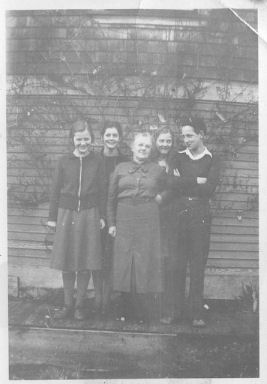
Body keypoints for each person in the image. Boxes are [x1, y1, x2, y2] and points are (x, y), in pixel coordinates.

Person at [47, 120, 106, 320]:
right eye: (79, 139)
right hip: (67, 214)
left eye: (86, 139)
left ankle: (80, 305)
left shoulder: (97, 161)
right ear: (72, 139)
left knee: (84, 261)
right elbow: (55, 190)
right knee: (67, 261)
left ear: (92, 139)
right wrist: (52, 218)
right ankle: (67, 304)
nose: (83, 143)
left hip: (90, 214)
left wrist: (103, 217)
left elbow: (103, 191)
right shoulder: (64, 161)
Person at [107, 132, 166, 323]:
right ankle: (124, 309)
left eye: (147, 146)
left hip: (148, 215)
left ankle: (142, 311)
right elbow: (110, 197)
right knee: (124, 260)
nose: (143, 149)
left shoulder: (157, 169)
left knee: (144, 260)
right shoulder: (120, 168)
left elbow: (172, 187)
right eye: (140, 145)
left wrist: (161, 197)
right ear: (132, 147)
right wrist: (112, 223)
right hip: (124, 215)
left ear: (151, 149)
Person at [170, 117, 220, 327]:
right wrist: (196, 181)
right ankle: (176, 311)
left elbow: (209, 189)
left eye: (190, 135)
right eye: (183, 135)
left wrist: (186, 184)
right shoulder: (178, 157)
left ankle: (196, 312)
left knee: (198, 264)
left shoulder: (212, 159)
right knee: (177, 264)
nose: (185, 139)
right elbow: (172, 184)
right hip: (180, 213)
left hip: (200, 214)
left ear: (201, 134)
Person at [100, 121, 128, 315]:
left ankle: (117, 300)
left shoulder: (125, 161)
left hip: (121, 216)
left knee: (118, 257)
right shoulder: (95, 159)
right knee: (102, 257)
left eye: (115, 135)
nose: (111, 138)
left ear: (120, 138)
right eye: (108, 135)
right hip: (100, 216)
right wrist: (101, 215)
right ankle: (102, 301)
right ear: (102, 136)